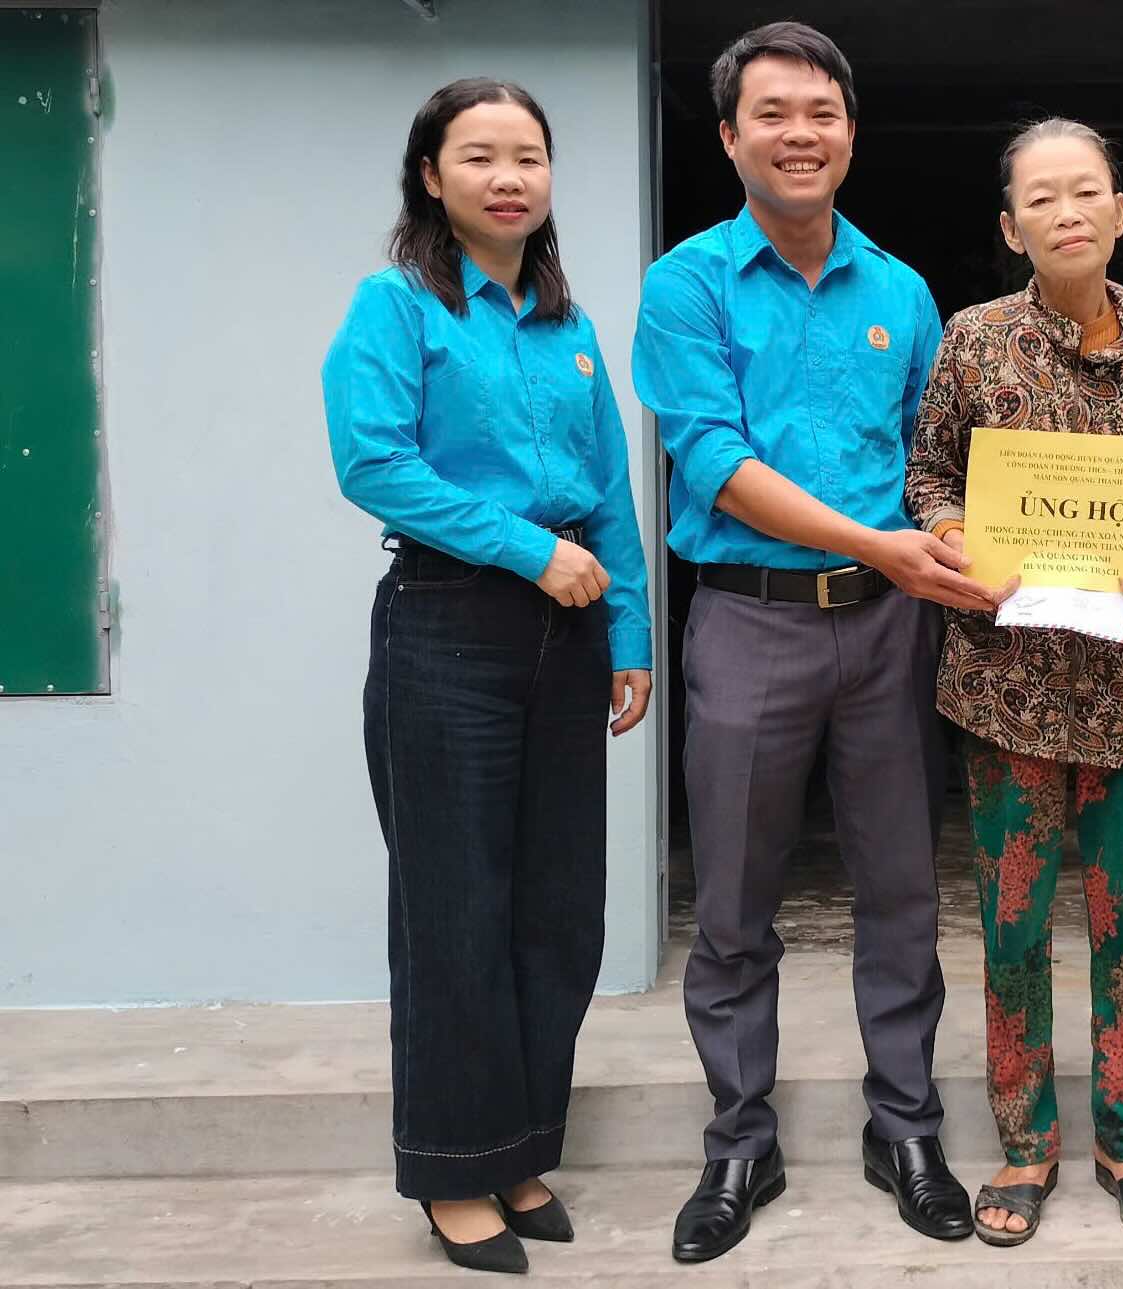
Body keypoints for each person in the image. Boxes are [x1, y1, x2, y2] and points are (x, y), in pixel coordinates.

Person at [632, 20, 992, 1265]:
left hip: (891, 630)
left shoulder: (898, 290)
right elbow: (716, 464)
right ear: (728, 135)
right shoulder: (684, 285)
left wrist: (948, 542)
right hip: (749, 621)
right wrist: (886, 541)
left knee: (899, 892)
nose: (800, 134)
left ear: (849, 131)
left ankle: (906, 1125)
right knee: (732, 900)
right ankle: (739, 1134)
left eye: (821, 113)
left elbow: (933, 463)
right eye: (772, 114)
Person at [323, 78, 652, 1276]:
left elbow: (613, 489)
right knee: (454, 910)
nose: (508, 175)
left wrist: (629, 635)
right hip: (449, 626)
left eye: (528, 155)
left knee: (557, 909)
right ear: (431, 175)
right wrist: (529, 549)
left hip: (568, 638)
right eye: (479, 155)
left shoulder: (568, 326)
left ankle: (519, 1146)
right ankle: (453, 1172)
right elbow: (372, 463)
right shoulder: (398, 304)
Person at [905, 118, 1123, 1247]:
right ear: (1010, 227)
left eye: (1084, 192)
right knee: (1010, 923)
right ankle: (1025, 1140)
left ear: (1119, 210)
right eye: (1039, 199)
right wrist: (954, 534)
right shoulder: (972, 339)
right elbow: (927, 473)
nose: (1065, 213)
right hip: (1008, 689)